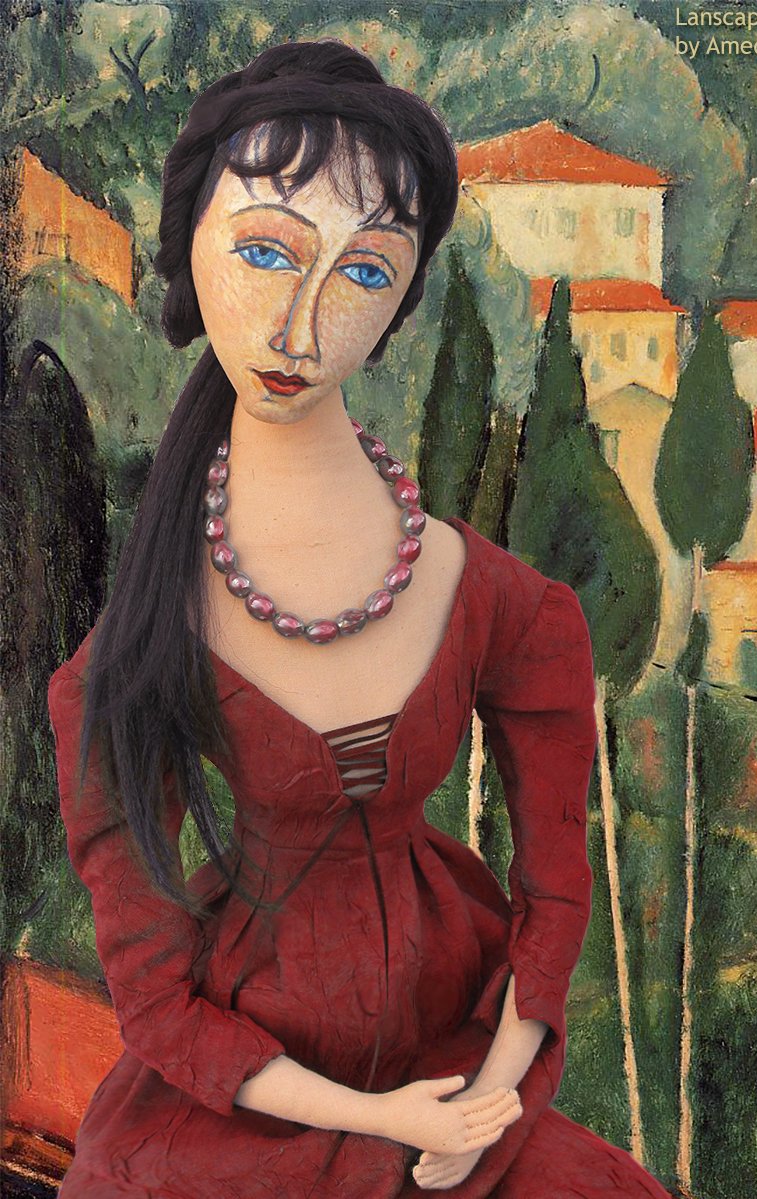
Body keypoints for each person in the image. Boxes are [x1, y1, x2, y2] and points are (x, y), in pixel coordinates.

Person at [48, 38, 675, 1198]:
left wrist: (483, 1101)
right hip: (247, 1109)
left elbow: (552, 897)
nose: (300, 323)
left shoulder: (499, 602)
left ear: (398, 306)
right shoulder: (135, 651)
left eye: (366, 271)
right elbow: (155, 998)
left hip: (458, 1068)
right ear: (189, 248)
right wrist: (373, 1116)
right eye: (265, 252)